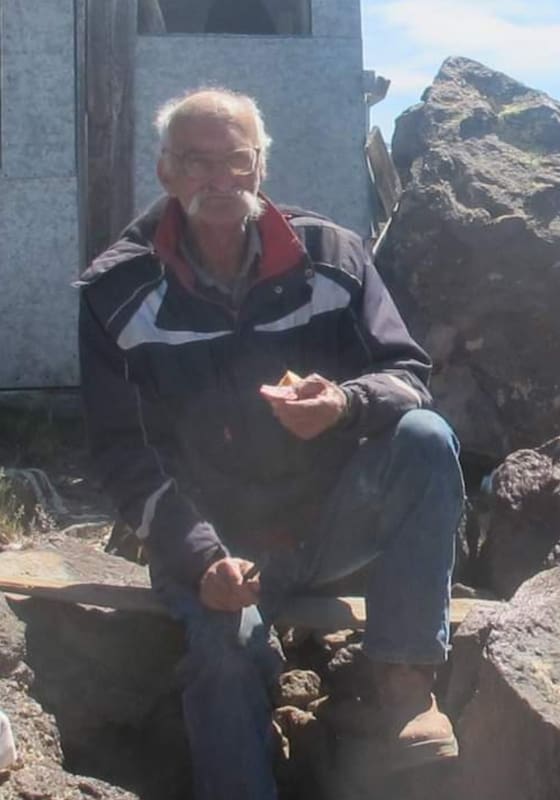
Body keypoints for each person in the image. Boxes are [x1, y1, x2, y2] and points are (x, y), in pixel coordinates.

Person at [76, 88, 463, 799]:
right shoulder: (119, 291)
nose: (219, 181)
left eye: (237, 161)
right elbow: (122, 453)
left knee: (425, 438)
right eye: (197, 162)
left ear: (262, 167)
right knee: (226, 654)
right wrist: (202, 560)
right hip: (215, 543)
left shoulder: (331, 256)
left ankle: (407, 688)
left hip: (327, 524)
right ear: (165, 172)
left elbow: (410, 377)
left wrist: (346, 404)